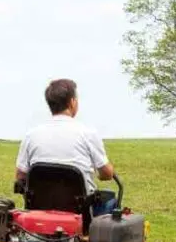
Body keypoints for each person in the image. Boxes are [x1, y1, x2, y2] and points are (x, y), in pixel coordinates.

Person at [15, 79, 119, 216]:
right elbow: (106, 174)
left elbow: (20, 176)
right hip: (81, 212)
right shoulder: (88, 133)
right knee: (110, 201)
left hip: (39, 211)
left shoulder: (31, 135)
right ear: (72, 102)